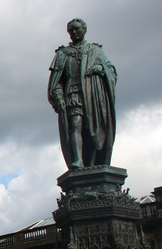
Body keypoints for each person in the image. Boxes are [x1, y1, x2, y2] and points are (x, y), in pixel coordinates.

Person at [47, 18, 118, 171]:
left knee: (91, 128)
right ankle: (78, 160)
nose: (74, 32)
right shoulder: (63, 54)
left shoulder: (96, 50)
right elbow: (56, 81)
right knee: (76, 125)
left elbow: (111, 71)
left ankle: (91, 162)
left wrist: (100, 69)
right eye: (71, 30)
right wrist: (58, 96)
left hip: (93, 95)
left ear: (84, 30)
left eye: (77, 29)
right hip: (73, 93)